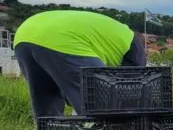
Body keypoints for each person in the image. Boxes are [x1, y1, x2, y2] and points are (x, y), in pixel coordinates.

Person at [13, 10, 147, 119]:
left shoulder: (113, 34)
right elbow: (132, 87)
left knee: (47, 104)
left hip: (24, 35)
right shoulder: (135, 44)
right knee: (102, 105)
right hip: (63, 39)